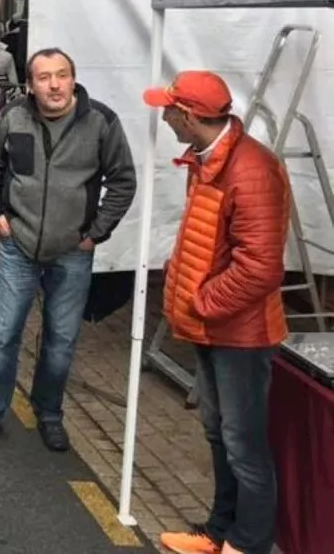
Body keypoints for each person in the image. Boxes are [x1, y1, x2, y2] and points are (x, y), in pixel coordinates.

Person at [143, 72, 290, 554]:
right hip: (212, 329)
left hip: (240, 336)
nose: (163, 116)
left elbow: (261, 268)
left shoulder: (251, 170)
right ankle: (217, 532)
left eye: (168, 109)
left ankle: (248, 544)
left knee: (244, 446)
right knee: (219, 435)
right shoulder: (208, 160)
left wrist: (202, 302)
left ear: (187, 116)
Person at [0, 48, 136, 452]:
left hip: (72, 250)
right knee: (3, 336)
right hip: (18, 246)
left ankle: (49, 413)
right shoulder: (13, 117)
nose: (54, 85)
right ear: (30, 85)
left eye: (62, 75)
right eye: (44, 77)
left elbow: (123, 181)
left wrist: (96, 232)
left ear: (73, 80)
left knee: (60, 340)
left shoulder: (101, 123)